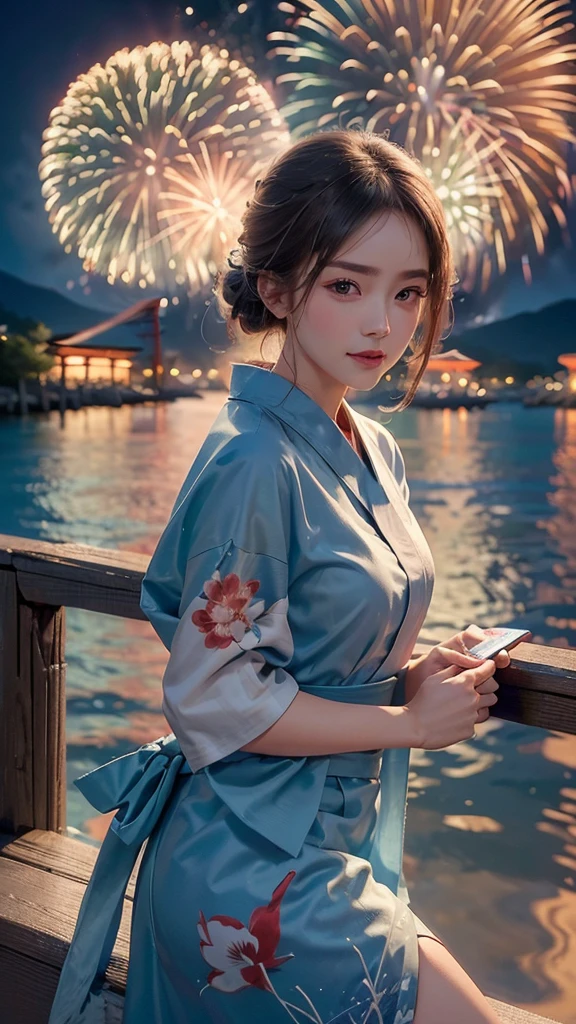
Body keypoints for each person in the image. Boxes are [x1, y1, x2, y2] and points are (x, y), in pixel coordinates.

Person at [48, 129, 509, 1024]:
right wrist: (407, 723)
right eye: (347, 285)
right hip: (251, 860)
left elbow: (315, 655)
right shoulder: (255, 458)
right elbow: (218, 697)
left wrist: (412, 676)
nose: (384, 323)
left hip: (327, 844)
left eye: (408, 292)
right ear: (277, 289)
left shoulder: (370, 445)